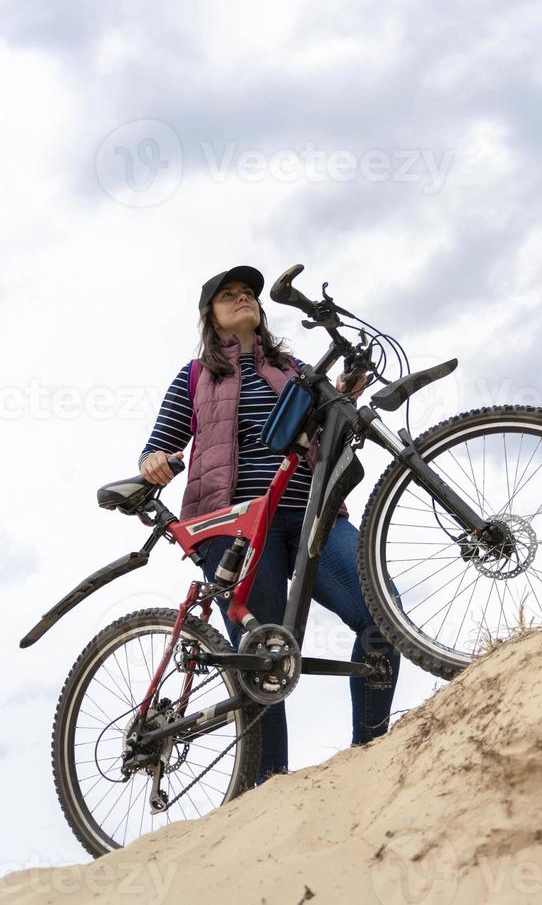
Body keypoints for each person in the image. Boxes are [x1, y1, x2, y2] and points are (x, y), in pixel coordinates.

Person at [139, 265, 400, 784]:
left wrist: (344, 395)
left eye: (250, 295)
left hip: (313, 515)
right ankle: (270, 786)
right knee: (263, 659)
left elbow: (330, 433)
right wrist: (155, 462)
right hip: (234, 525)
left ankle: (371, 751)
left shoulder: (294, 368)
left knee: (382, 611)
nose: (243, 300)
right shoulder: (195, 376)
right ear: (209, 316)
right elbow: (159, 446)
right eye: (229, 295)